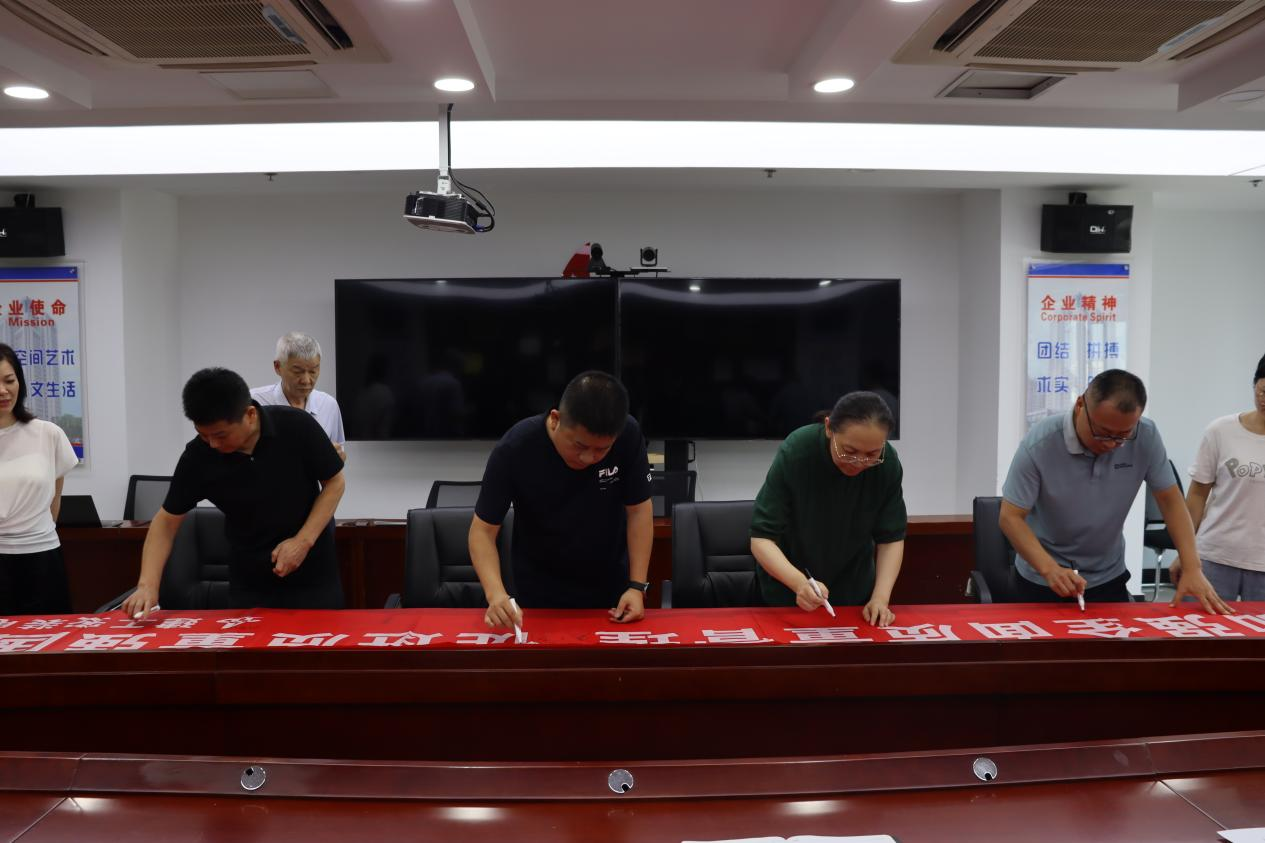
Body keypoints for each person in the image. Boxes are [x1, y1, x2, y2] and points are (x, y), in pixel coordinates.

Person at [1000, 368, 1229, 613]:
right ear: (1080, 405)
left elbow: (1170, 501)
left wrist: (1192, 566)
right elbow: (1010, 517)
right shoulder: (1041, 444)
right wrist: (1049, 569)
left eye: (1122, 436)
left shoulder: (1146, 436)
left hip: (1107, 575)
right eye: (1102, 433)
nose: (1111, 444)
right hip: (1041, 578)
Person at [122, 368, 346, 616]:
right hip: (250, 584)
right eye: (203, 435)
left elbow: (335, 483)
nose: (213, 444)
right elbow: (166, 521)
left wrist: (302, 542)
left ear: (250, 414)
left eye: (220, 435)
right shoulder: (198, 457)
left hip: (313, 578)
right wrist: (147, 585)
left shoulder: (297, 425)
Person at [470, 371, 653, 629]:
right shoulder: (516, 448)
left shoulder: (629, 435)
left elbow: (639, 511)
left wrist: (636, 586)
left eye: (602, 449)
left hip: (611, 590)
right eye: (579, 446)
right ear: (556, 419)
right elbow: (482, 531)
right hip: (538, 590)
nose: (589, 458)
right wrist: (495, 594)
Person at [749, 391, 907, 626]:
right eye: (849, 452)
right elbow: (761, 539)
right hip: (786, 594)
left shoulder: (887, 464)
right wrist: (799, 584)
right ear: (829, 428)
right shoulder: (798, 452)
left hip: (854, 597)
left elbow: (891, 538)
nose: (860, 463)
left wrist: (880, 599)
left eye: (872, 454)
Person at [1172, 353, 1265, 601]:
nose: (1264, 400)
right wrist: (1185, 553)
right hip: (1214, 556)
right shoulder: (1221, 431)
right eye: (1262, 391)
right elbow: (1197, 495)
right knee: (1201, 625)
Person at [0, 343, 78, 615]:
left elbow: (54, 500)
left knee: (48, 635)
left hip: (42, 558)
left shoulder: (48, 434)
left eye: (9, 380)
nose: (3, 390)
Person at [251, 332, 346, 460]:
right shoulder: (255, 402)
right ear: (278, 367)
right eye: (297, 372)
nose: (306, 380)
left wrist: (338, 457)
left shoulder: (329, 405)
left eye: (313, 371)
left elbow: (339, 455)